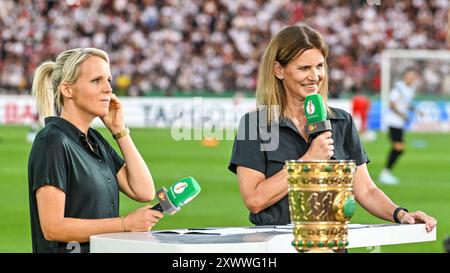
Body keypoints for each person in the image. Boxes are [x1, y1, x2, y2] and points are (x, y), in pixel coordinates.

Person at [228, 25, 436, 233]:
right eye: (304, 68)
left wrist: (400, 214)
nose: (315, 76)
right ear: (278, 70)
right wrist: (306, 161)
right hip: (279, 246)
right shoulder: (254, 125)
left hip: (333, 243)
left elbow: (365, 190)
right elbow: (255, 200)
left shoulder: (342, 121)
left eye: (320, 66)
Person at [28, 48, 163, 253]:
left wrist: (119, 130)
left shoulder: (95, 140)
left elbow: (143, 191)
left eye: (108, 80)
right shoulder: (52, 141)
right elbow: (53, 227)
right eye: (96, 80)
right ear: (67, 90)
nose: (108, 88)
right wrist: (125, 224)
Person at [378, 68, 419, 185]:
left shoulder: (410, 89)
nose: (411, 79)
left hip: (399, 123)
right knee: (398, 148)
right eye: (409, 76)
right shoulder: (398, 88)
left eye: (413, 77)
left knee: (399, 149)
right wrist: (403, 115)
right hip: (393, 122)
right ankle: (385, 174)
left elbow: (405, 104)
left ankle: (386, 173)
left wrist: (414, 109)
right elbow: (392, 104)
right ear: (405, 76)